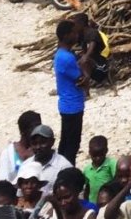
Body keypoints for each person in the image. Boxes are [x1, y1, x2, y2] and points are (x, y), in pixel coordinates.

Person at [54, 20, 87, 163]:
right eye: (73, 32)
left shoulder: (61, 54)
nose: (76, 34)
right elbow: (82, 79)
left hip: (68, 105)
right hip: (73, 106)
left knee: (66, 143)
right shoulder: (67, 58)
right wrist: (86, 71)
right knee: (71, 146)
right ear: (67, 35)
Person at [0, 110, 41, 184]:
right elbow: (3, 180)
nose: (39, 131)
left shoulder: (41, 150)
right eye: (35, 128)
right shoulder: (8, 153)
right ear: (23, 131)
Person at [28, 125, 71, 193]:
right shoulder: (26, 165)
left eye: (43, 142)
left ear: (52, 142)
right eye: (34, 143)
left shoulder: (63, 166)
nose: (38, 147)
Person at [71, 13, 111, 86]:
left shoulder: (92, 33)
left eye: (75, 24)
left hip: (101, 68)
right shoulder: (82, 35)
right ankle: (73, 83)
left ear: (81, 23)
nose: (74, 27)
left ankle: (86, 89)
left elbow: (90, 50)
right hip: (93, 66)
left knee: (84, 60)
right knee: (71, 58)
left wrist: (83, 57)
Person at [81, 136, 116, 206]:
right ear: (90, 153)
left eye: (101, 155)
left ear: (106, 151)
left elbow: (117, 180)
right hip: (92, 204)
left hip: (108, 203)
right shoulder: (87, 169)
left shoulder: (111, 164)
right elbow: (87, 188)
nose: (98, 158)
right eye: (94, 156)